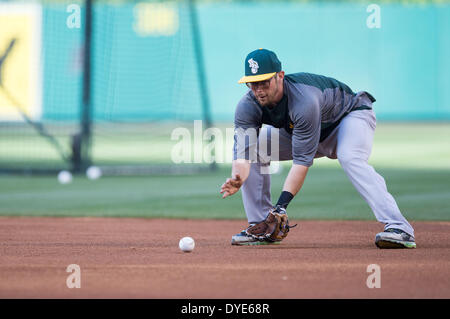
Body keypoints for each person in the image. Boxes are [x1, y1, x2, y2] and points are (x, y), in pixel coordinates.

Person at [220, 48, 416, 249]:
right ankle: (261, 226)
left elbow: (301, 164)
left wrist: (281, 207)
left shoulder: (304, 100)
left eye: (264, 82)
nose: (259, 89)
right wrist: (238, 178)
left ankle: (399, 227)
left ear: (280, 76)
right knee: (258, 148)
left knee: (350, 157)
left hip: (347, 119)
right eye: (253, 83)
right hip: (302, 131)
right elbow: (244, 154)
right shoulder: (246, 106)